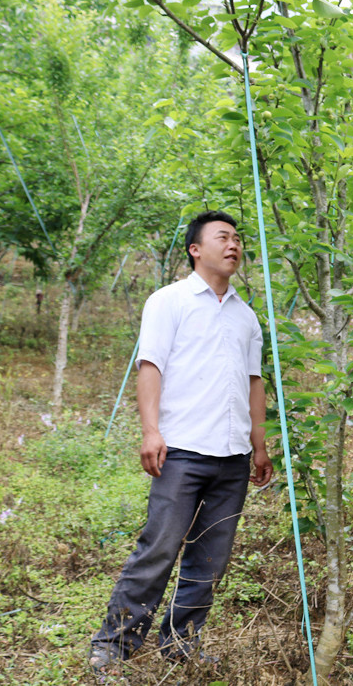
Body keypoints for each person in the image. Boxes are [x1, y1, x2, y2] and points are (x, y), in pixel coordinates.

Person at [89, 210, 273, 673]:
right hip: (183, 450)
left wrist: (260, 443)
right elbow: (150, 366)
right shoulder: (168, 301)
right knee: (159, 548)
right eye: (222, 237)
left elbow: (254, 382)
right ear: (196, 249)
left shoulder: (246, 317)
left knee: (210, 560)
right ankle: (115, 643)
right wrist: (152, 431)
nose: (233, 245)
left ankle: (180, 644)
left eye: (237, 239)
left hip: (232, 456)